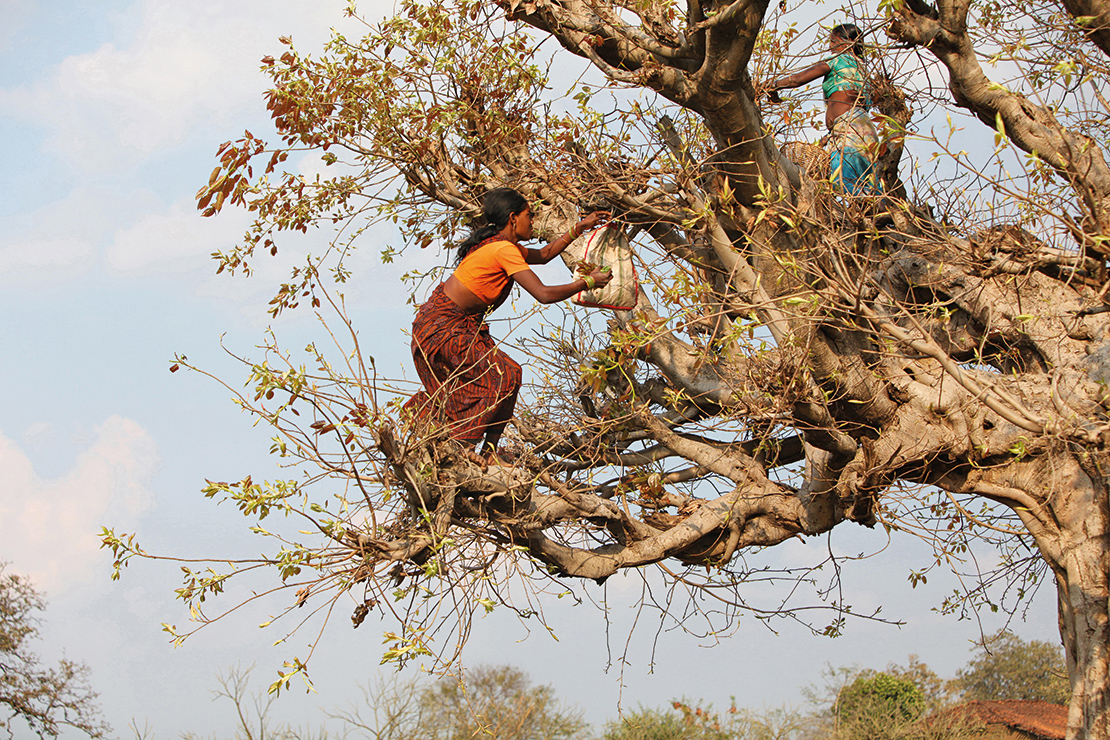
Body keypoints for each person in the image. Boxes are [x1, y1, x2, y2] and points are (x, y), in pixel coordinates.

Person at [405, 188, 613, 466]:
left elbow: (544, 255)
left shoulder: (503, 246)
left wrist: (579, 228)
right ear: (513, 219)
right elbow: (544, 294)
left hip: (448, 325)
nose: (533, 221)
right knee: (504, 375)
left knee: (504, 377)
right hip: (443, 326)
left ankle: (486, 454)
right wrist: (587, 283)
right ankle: (461, 448)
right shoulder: (502, 249)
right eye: (529, 215)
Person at [767, 24, 880, 195]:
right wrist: (828, 138)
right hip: (863, 131)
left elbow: (798, 79)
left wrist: (771, 86)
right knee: (867, 185)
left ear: (849, 42)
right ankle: (879, 214)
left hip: (850, 128)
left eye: (833, 41)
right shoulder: (862, 70)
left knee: (843, 178)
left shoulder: (839, 59)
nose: (830, 46)